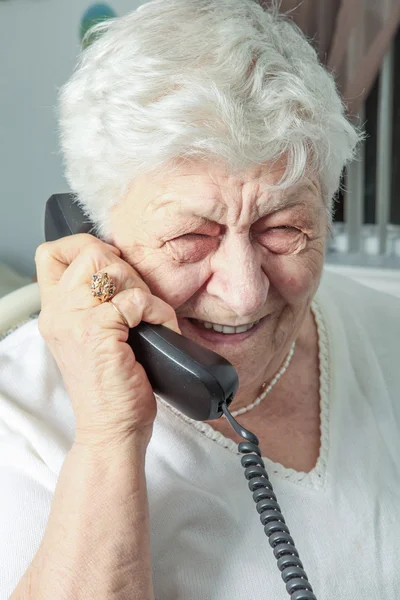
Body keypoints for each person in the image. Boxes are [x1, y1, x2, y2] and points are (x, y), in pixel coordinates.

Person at [1, 1, 399, 598]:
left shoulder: (388, 331)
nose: (244, 293)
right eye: (191, 237)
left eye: (284, 228)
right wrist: (111, 437)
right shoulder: (19, 414)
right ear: (96, 236)